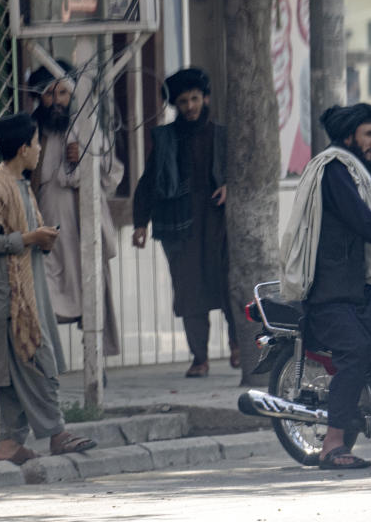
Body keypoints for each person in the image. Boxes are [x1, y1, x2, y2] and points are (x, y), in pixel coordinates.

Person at [279, 102, 371, 470]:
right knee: (355, 352)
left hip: (352, 290)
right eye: (369, 134)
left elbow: (369, 230)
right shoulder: (334, 170)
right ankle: (332, 445)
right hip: (328, 292)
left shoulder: (353, 171)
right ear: (348, 136)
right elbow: (364, 221)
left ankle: (346, 438)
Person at [0, 113, 97, 465]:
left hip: (30, 290)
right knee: (36, 362)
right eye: (36, 142)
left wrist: (43, 239)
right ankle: (57, 433)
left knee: (19, 373)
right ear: (22, 148)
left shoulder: (21, 186)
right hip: (12, 299)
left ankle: (9, 445)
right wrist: (30, 238)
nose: (41, 148)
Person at [132, 68, 237, 377]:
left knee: (229, 284)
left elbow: (242, 173)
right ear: (175, 105)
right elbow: (149, 181)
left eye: (194, 99)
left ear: (205, 98)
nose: (190, 106)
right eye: (183, 101)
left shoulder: (222, 135)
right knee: (189, 290)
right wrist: (140, 223)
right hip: (181, 227)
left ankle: (237, 346)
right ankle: (199, 358)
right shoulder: (166, 139)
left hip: (219, 225)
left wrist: (231, 187)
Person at [27, 61, 123, 357]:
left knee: (91, 293)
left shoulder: (87, 128)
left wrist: (86, 159)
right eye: (49, 95)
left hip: (84, 229)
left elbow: (112, 175)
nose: (56, 101)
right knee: (44, 296)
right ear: (39, 99)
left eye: (63, 94)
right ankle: (46, 361)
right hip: (47, 232)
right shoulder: (32, 135)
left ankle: (95, 361)